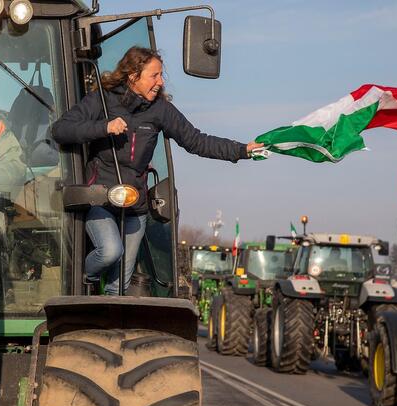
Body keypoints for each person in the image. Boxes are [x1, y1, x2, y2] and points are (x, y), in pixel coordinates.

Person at [52, 46, 263, 295]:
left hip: (135, 205)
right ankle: (81, 279)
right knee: (110, 251)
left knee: (119, 284)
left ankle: (107, 327)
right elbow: (61, 130)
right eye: (154, 75)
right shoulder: (103, 100)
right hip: (99, 197)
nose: (160, 82)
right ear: (133, 75)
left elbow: (197, 140)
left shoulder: (160, 110)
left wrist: (242, 150)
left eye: (161, 75)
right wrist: (104, 127)